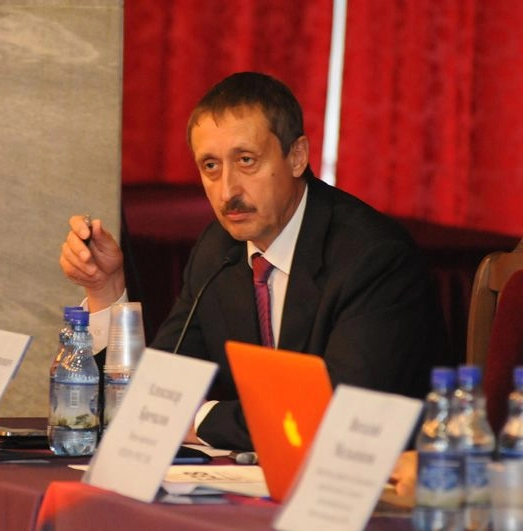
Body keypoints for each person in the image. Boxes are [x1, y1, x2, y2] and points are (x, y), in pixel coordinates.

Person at [59, 71, 449, 450]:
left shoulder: (372, 257)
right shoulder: (218, 250)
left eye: (246, 160)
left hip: (381, 480)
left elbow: (339, 414)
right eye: (211, 166)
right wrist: (105, 291)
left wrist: (200, 419)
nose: (227, 191)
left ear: (296, 157)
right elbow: (152, 392)